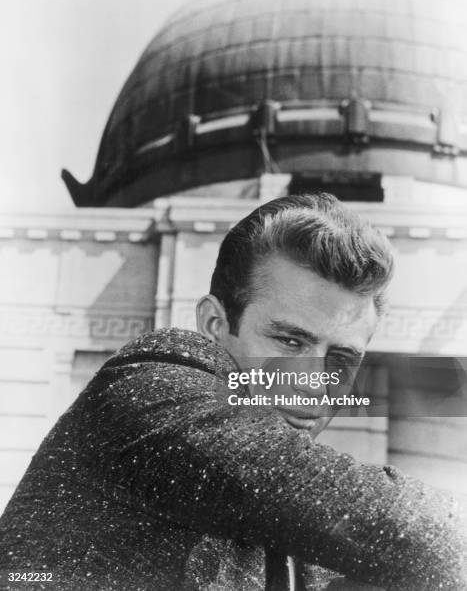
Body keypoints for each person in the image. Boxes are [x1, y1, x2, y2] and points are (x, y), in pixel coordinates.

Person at [0, 194, 465, 590]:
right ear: (215, 326)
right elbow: (396, 523)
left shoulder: (301, 545)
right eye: (289, 341)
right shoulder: (150, 385)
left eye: (341, 359)